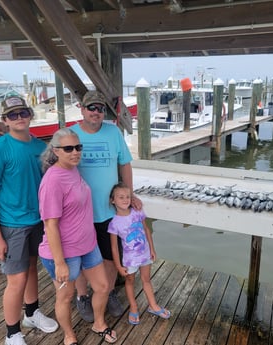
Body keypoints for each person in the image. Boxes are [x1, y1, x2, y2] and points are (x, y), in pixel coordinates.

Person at [0, 96, 58, 345]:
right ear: (5, 121)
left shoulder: (40, 148)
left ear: (30, 114)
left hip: (38, 221)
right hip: (12, 225)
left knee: (32, 269)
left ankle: (32, 312)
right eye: (12, 115)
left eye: (23, 112)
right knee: (17, 279)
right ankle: (12, 333)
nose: (19, 117)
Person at [38, 128, 117, 345]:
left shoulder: (73, 169)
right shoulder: (52, 180)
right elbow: (50, 225)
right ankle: (69, 336)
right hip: (63, 252)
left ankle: (99, 323)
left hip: (87, 245)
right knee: (65, 296)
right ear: (56, 151)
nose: (75, 152)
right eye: (68, 148)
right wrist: (60, 262)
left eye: (78, 147)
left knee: (102, 287)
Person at [70, 90, 142, 322]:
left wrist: (128, 195)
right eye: (91, 108)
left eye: (100, 109)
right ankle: (82, 296)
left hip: (109, 211)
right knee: (79, 258)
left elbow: (125, 165)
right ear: (81, 108)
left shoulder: (113, 132)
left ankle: (109, 292)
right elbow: (56, 168)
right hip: (78, 213)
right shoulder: (71, 135)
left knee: (111, 257)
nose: (96, 112)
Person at [108, 182, 170, 325]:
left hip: (145, 255)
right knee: (129, 281)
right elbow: (114, 248)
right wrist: (118, 266)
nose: (125, 200)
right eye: (121, 197)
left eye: (128, 197)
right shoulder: (114, 223)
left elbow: (147, 230)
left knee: (146, 279)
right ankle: (134, 307)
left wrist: (152, 249)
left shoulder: (138, 212)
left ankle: (153, 305)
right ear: (113, 200)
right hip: (130, 260)